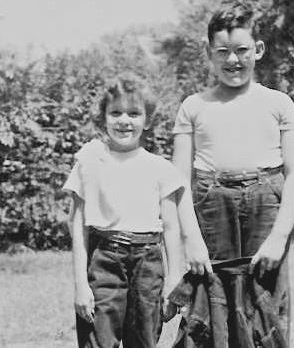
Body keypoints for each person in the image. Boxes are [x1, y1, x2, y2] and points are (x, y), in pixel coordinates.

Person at [172, 4, 294, 346]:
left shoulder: (279, 103)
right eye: (223, 52)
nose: (233, 60)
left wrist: (278, 238)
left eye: (242, 50)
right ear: (209, 53)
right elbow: (178, 183)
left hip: (266, 207)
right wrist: (192, 240)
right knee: (208, 308)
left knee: (265, 309)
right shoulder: (193, 106)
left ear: (258, 50)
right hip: (211, 207)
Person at [63, 77, 211, 348]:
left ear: (148, 119)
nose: (124, 121)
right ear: (103, 117)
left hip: (147, 263)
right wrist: (81, 286)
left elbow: (170, 227)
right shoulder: (89, 160)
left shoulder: (160, 169)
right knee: (98, 341)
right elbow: (78, 227)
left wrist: (173, 281)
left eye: (134, 114)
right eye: (116, 112)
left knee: (143, 340)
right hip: (104, 260)